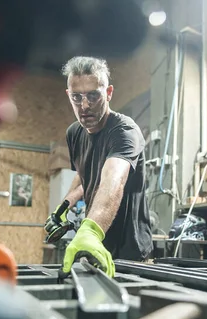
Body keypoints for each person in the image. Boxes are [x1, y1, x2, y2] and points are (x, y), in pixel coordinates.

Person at [45, 56, 153, 279]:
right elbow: (85, 174)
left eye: (93, 95)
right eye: (77, 97)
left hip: (129, 254)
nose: (85, 106)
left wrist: (91, 231)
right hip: (93, 246)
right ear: (69, 95)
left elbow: (113, 178)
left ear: (109, 92)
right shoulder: (74, 133)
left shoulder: (124, 132)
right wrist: (64, 205)